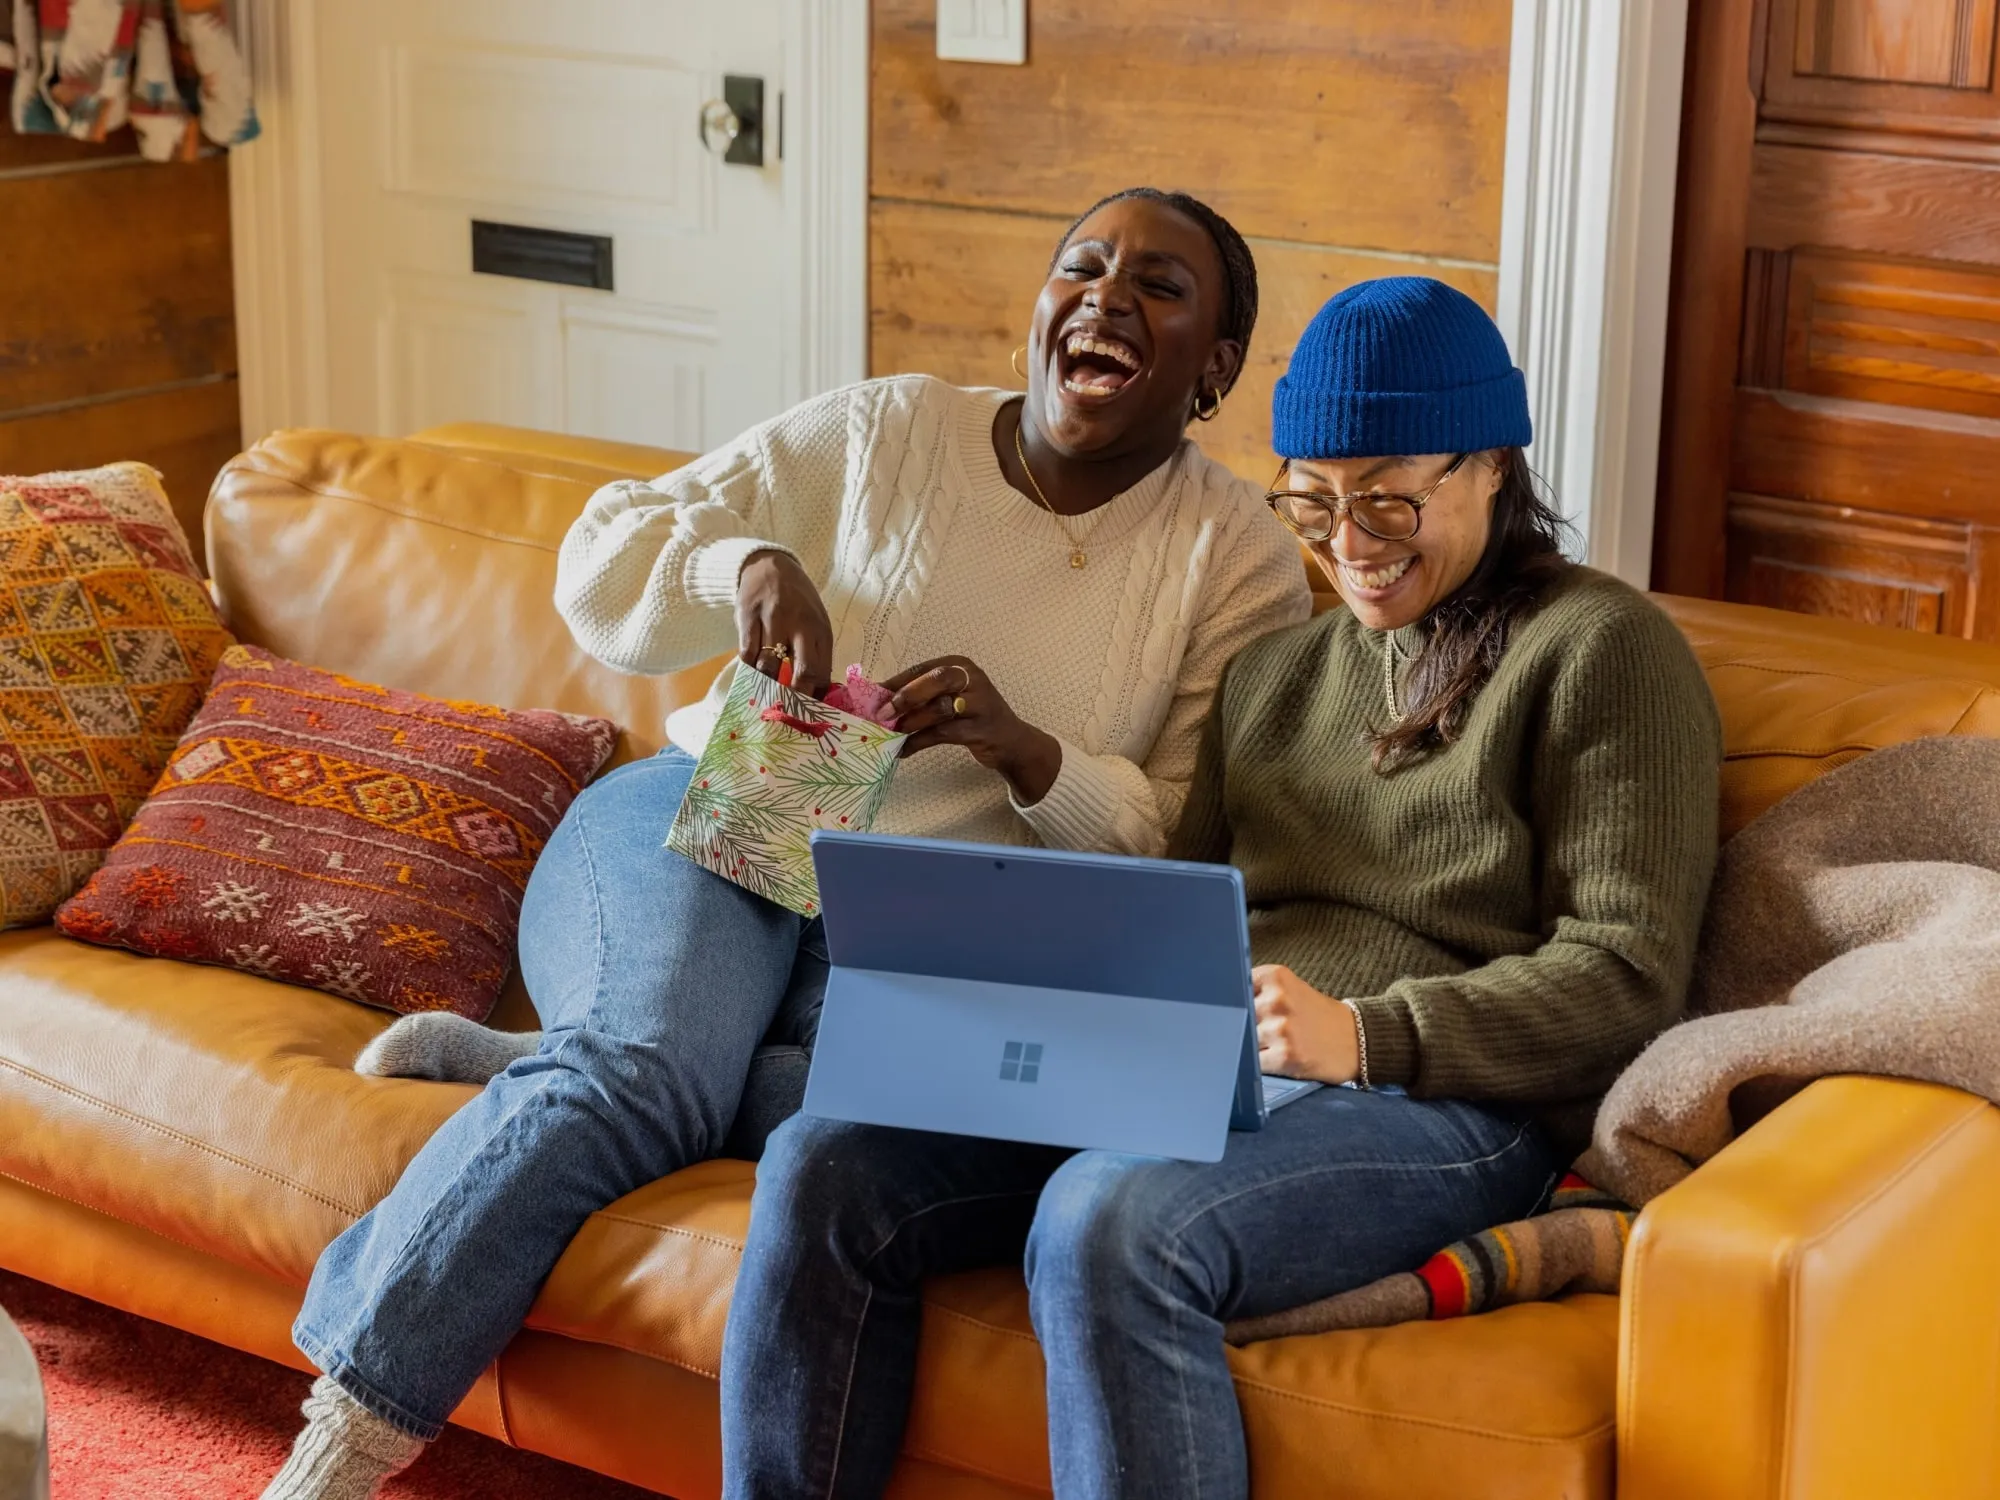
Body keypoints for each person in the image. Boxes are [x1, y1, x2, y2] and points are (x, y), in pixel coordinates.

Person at [258, 187, 1313, 1500]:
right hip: (716, 815)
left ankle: (549, 1062)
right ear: (1042, 307)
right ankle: (340, 1445)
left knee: (848, 1118)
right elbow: (604, 556)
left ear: (1213, 368)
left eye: (1160, 287)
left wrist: (1025, 750)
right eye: (1083, 267)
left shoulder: (1242, 562)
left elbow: (1170, 835)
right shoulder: (890, 430)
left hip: (932, 924)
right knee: (647, 1074)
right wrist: (746, 569)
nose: (1107, 296)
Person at [718, 276, 1724, 1500]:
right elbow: (1177, 914)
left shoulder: (1602, 649)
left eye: (1389, 498)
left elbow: (1627, 975)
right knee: (826, 1155)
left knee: (1109, 1219)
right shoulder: (1274, 678)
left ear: (1492, 467)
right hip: (1211, 1068)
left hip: (1442, 1102)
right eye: (1313, 501)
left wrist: (1368, 1034)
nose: (1348, 544)